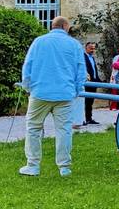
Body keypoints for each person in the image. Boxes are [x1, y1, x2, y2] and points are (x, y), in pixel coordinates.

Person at [16, 16, 86, 177]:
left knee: (33, 128)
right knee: (64, 130)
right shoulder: (74, 44)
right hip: (64, 93)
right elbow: (80, 71)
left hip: (40, 92)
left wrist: (28, 87)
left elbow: (28, 66)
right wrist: (75, 90)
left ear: (52, 26)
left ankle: (32, 165)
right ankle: (64, 167)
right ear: (65, 27)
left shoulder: (39, 42)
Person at [82, 42, 100, 125]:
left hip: (94, 82)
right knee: (85, 101)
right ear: (86, 48)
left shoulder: (92, 58)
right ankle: (83, 119)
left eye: (93, 48)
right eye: (91, 48)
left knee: (90, 102)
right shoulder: (83, 57)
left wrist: (98, 80)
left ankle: (89, 118)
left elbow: (94, 70)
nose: (93, 50)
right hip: (87, 83)